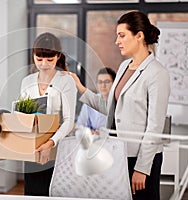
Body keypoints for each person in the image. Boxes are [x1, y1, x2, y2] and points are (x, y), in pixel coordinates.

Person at [68, 11, 170, 200]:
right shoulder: (124, 67)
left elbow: (155, 127)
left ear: (139, 36)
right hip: (118, 152)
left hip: (141, 157)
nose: (117, 41)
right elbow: (111, 109)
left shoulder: (157, 73)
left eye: (122, 35)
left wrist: (142, 168)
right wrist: (81, 88)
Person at [20, 32, 77, 196]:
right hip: (33, 150)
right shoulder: (27, 82)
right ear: (33, 56)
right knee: (32, 194)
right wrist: (10, 144)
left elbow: (68, 120)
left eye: (50, 59)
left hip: (57, 151)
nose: (44, 64)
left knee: (53, 194)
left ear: (58, 57)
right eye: (39, 59)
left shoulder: (66, 81)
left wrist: (51, 143)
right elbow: (22, 118)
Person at [76, 67, 116, 134]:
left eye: (107, 82)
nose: (103, 85)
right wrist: (89, 132)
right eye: (100, 82)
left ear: (114, 83)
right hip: (92, 140)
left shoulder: (119, 102)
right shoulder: (90, 102)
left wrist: (103, 134)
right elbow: (80, 126)